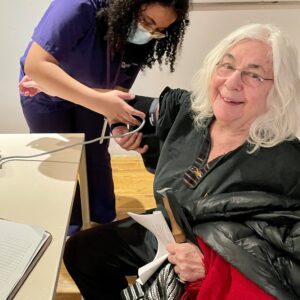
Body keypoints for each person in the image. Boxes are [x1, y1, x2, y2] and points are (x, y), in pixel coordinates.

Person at [63, 23, 300, 300]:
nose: (232, 82)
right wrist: (115, 122)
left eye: (254, 76)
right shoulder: (189, 110)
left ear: (278, 90)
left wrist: (213, 266)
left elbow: (286, 257)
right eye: (227, 66)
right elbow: (123, 106)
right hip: (165, 232)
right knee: (82, 252)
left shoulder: (287, 162)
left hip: (213, 267)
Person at [18, 0, 190, 233]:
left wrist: (117, 124)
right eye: (147, 22)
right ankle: (70, 227)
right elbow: (36, 66)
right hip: (45, 95)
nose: (149, 32)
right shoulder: (77, 6)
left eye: (159, 30)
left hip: (91, 95)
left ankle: (102, 221)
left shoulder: (142, 37)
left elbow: (119, 88)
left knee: (95, 155)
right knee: (61, 162)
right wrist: (101, 101)